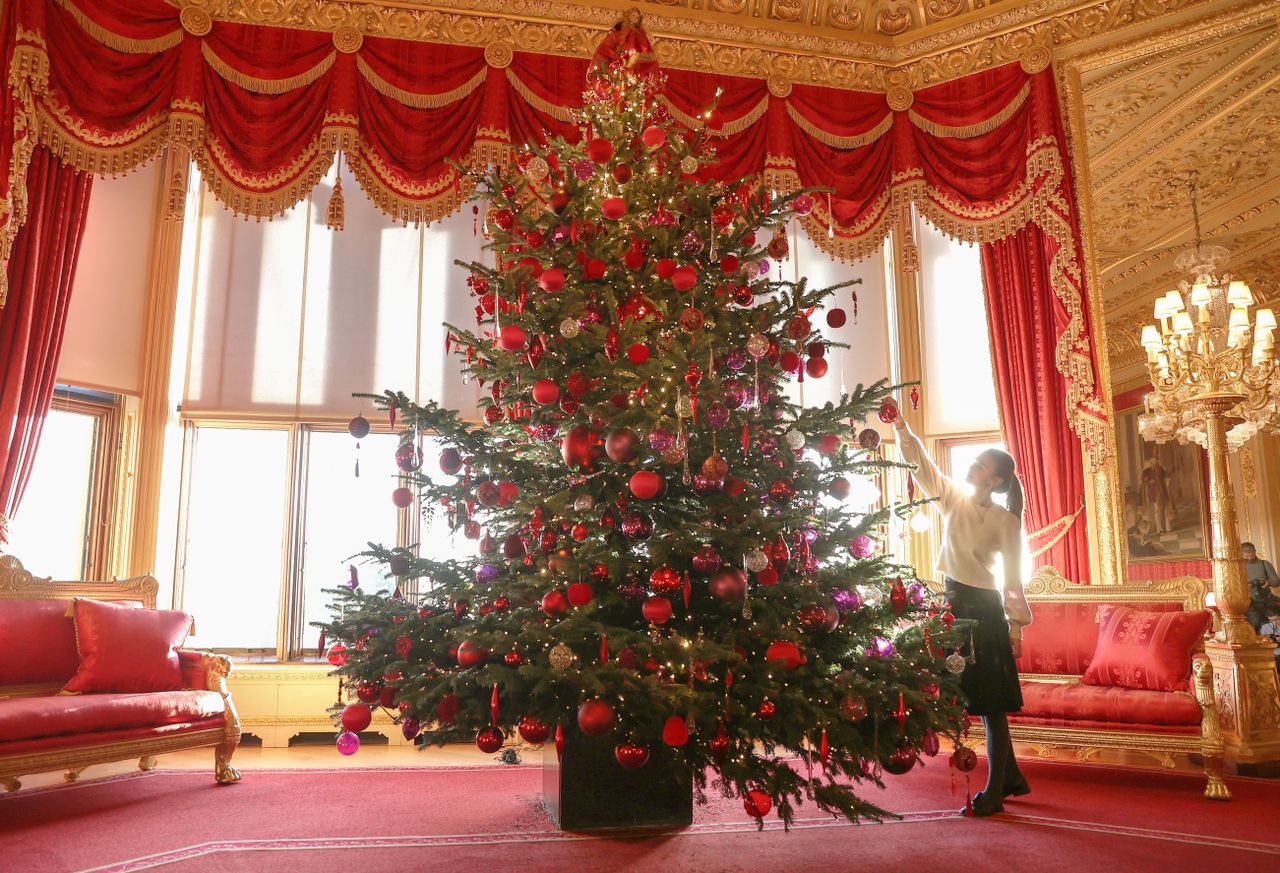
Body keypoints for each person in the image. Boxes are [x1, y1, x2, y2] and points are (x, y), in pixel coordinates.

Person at [888, 400, 1031, 817]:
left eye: (982, 464)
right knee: (956, 691)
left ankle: (995, 792)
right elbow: (921, 464)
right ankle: (1012, 777)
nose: (973, 465)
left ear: (999, 479)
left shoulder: (1007, 522)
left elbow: (1012, 577)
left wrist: (1016, 627)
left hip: (985, 612)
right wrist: (900, 425)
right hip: (951, 606)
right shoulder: (952, 497)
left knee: (990, 703)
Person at [1242, 542, 1280, 631]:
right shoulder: (1239, 567)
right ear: (1241, 554)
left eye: (1252, 555)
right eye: (1247, 556)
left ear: (1255, 551)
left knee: (1272, 624)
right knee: (1254, 626)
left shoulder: (1265, 564)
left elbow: (1277, 582)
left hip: (1267, 600)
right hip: (1250, 602)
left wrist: (1268, 582)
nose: (1250, 558)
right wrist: (1246, 585)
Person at [1259, 606, 1280, 672]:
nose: (1274, 623)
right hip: (1272, 652)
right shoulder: (1265, 627)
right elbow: (1263, 644)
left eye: (1276, 619)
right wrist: (1271, 640)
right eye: (1271, 620)